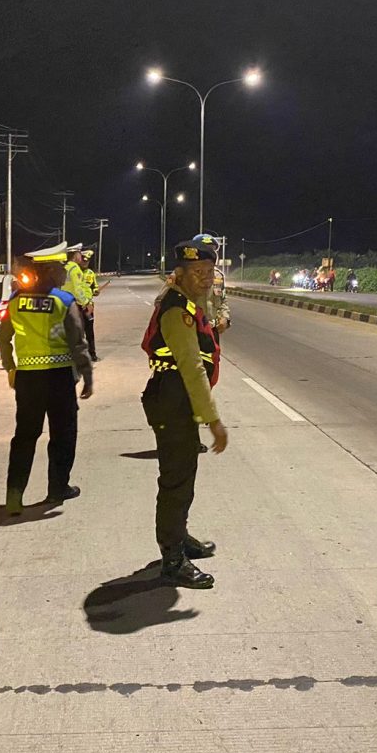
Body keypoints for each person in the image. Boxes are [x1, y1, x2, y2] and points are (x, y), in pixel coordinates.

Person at [140, 239, 228, 589]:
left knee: (183, 476)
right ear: (180, 273)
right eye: (197, 273)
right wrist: (214, 421)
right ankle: (173, 559)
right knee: (175, 481)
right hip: (174, 399)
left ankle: (180, 536)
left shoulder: (186, 302)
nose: (205, 279)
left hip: (177, 400)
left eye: (209, 272)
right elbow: (192, 368)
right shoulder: (178, 310)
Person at [0, 242, 94, 516]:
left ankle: (14, 496)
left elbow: (3, 339)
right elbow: (78, 342)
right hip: (59, 378)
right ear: (50, 271)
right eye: (61, 268)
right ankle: (57, 488)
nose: (65, 273)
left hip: (28, 379)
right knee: (63, 434)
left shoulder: (16, 301)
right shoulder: (63, 301)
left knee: (25, 436)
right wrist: (87, 375)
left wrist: (10, 368)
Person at [81, 249, 100, 361]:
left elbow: (94, 286)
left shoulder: (90, 273)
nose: (85, 263)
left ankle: (92, 353)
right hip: (77, 306)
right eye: (83, 261)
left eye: (87, 261)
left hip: (89, 307)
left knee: (89, 331)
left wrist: (96, 291)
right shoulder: (75, 273)